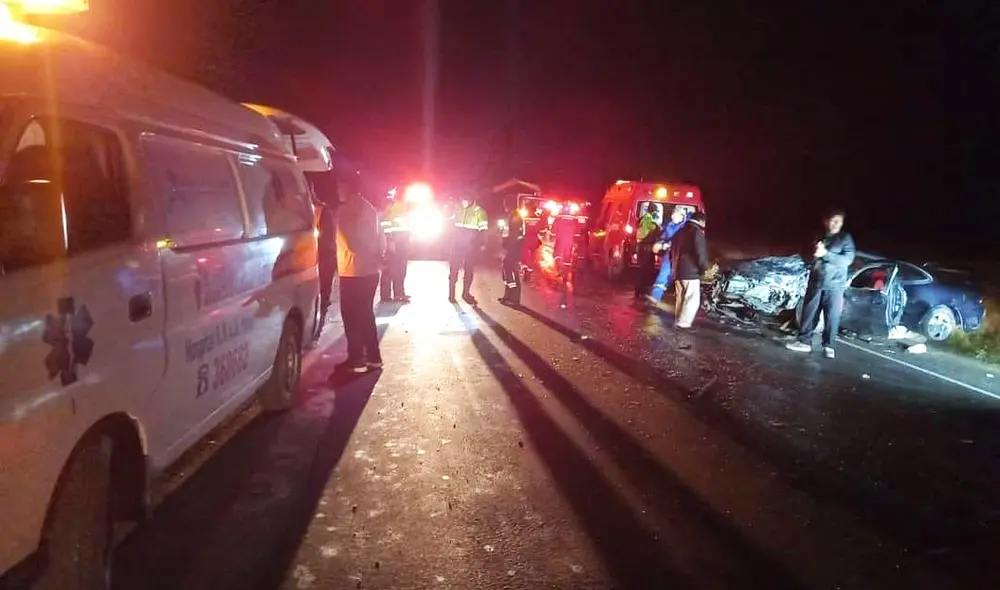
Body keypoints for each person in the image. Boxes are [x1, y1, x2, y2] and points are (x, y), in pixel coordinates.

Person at [333, 174, 386, 374]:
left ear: (349, 187)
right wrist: (377, 256)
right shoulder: (369, 208)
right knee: (365, 314)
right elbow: (381, 237)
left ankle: (356, 358)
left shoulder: (346, 210)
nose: (338, 190)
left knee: (352, 316)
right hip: (370, 271)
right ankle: (373, 357)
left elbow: (350, 240)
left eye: (340, 186)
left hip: (353, 271)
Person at [786, 209, 856, 359]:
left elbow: (847, 260)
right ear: (826, 221)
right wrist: (812, 256)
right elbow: (806, 255)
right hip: (816, 282)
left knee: (832, 316)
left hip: (835, 285)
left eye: (839, 221)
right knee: (809, 313)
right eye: (833, 220)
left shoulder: (845, 238)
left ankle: (829, 346)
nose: (837, 224)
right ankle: (804, 342)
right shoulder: (818, 236)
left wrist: (826, 254)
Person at [671, 211, 709, 329]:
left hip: (678, 271)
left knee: (680, 299)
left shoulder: (679, 232)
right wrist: (704, 269)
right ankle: (683, 325)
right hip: (690, 273)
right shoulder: (697, 233)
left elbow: (671, 252)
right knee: (691, 300)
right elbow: (700, 253)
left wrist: (674, 268)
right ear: (702, 221)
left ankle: (678, 321)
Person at [448, 193, 489, 304]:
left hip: (471, 247)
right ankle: (451, 295)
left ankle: (466, 294)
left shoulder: (480, 211)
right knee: (453, 270)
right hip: (456, 245)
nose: (464, 201)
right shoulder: (456, 208)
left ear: (472, 199)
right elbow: (447, 218)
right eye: (462, 199)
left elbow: (483, 230)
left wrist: (482, 244)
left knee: (469, 270)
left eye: (466, 199)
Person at [649, 206, 690, 302]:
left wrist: (667, 244)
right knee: (663, 277)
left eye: (674, 215)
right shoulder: (670, 225)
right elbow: (664, 237)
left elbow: (682, 241)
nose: (672, 217)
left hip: (681, 257)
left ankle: (682, 304)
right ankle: (655, 299)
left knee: (681, 280)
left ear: (681, 216)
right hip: (669, 256)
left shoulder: (685, 227)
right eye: (672, 214)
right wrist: (660, 244)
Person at [380, 192, 411, 303]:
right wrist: (390, 241)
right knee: (389, 269)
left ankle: (399, 293)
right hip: (394, 242)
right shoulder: (391, 205)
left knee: (401, 270)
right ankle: (386, 296)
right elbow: (386, 224)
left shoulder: (405, 206)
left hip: (402, 241)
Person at [498, 199, 525, 305]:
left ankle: (514, 299)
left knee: (512, 273)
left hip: (513, 249)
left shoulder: (515, 217)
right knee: (507, 272)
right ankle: (508, 296)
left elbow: (514, 235)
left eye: (506, 205)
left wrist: (508, 245)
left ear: (509, 206)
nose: (504, 207)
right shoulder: (512, 216)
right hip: (511, 249)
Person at [634, 203, 662, 298]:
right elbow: (654, 231)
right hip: (646, 249)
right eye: (655, 211)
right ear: (653, 211)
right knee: (645, 270)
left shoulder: (643, 218)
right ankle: (640, 291)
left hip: (642, 247)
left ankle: (640, 290)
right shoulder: (649, 220)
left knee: (644, 270)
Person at [551, 203, 578, 288]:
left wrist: (552, 235)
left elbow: (554, 229)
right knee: (567, 258)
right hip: (570, 241)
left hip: (560, 240)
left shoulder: (559, 218)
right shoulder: (574, 218)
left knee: (558, 255)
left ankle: (560, 271)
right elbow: (577, 230)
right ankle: (566, 274)